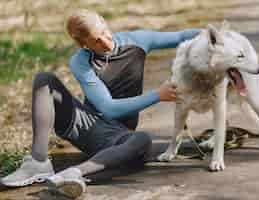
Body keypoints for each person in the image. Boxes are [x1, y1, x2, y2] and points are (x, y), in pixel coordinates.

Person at [0, 9, 201, 198]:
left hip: (118, 137)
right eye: (96, 41)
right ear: (83, 45)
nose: (106, 42)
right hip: (89, 127)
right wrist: (157, 95)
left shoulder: (138, 41)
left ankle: (73, 174)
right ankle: (38, 162)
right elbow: (109, 108)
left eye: (105, 32)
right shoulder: (80, 62)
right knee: (44, 80)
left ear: (104, 22)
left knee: (142, 140)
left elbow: (182, 36)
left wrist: (220, 37)